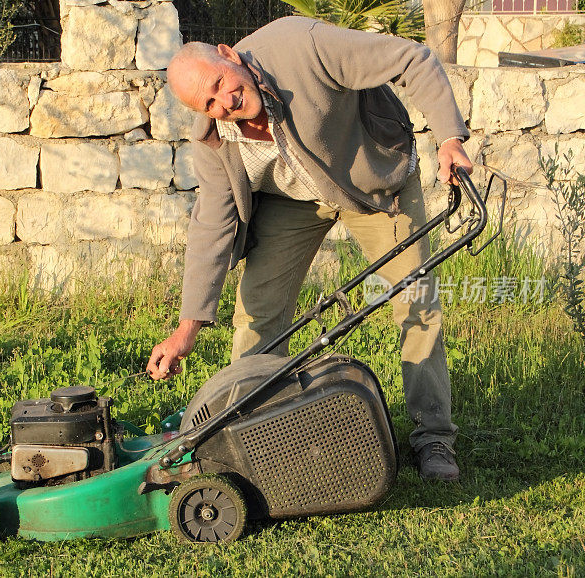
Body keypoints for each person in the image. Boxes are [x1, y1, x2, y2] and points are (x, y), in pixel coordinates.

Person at [145, 16, 473, 481]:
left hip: (371, 183)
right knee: (258, 311)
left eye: (221, 84)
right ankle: (253, 434)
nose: (225, 103)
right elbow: (211, 227)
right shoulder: (215, 139)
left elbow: (411, 58)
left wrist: (449, 139)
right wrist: (187, 329)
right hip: (291, 199)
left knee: (416, 301)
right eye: (209, 103)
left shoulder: (303, 47)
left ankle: (434, 436)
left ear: (229, 55)